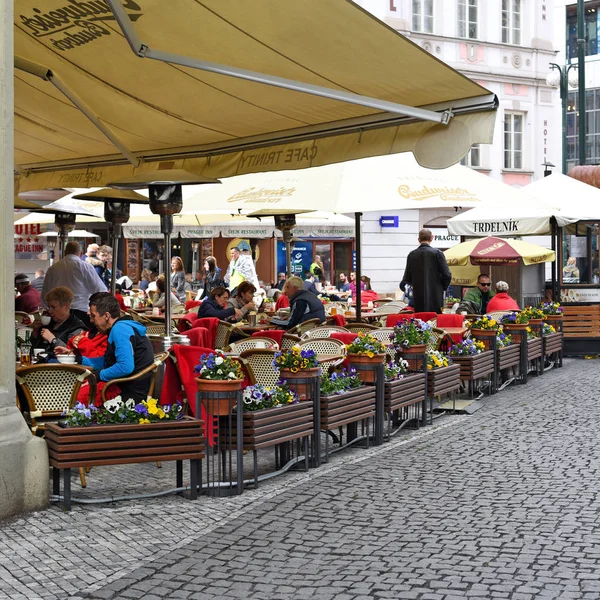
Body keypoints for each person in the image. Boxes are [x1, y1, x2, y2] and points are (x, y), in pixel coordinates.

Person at [86, 293, 154, 403]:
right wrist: (79, 360)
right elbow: (107, 361)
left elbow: (125, 367)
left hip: (130, 395)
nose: (91, 321)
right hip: (128, 387)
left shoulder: (120, 330)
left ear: (106, 316)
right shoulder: (122, 326)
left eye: (94, 316)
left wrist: (98, 375)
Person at [42, 241, 107, 326]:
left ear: (65, 252)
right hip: (80, 312)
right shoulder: (85, 267)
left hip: (58, 313)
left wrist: (50, 309)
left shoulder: (52, 269)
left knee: (58, 337)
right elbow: (101, 291)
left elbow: (44, 294)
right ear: (80, 254)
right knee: (79, 338)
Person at [401, 228, 452, 314]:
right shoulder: (438, 253)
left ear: (419, 239)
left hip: (418, 294)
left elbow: (407, 278)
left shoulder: (412, 254)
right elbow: (447, 275)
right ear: (432, 238)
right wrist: (441, 287)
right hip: (436, 295)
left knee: (420, 321)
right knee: (434, 320)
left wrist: (416, 284)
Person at [31, 286, 86, 357]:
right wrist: (35, 332)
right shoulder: (49, 323)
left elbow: (73, 354)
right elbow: (32, 350)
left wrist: (53, 340)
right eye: (49, 307)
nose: (49, 311)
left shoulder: (76, 328)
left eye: (53, 307)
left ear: (66, 306)